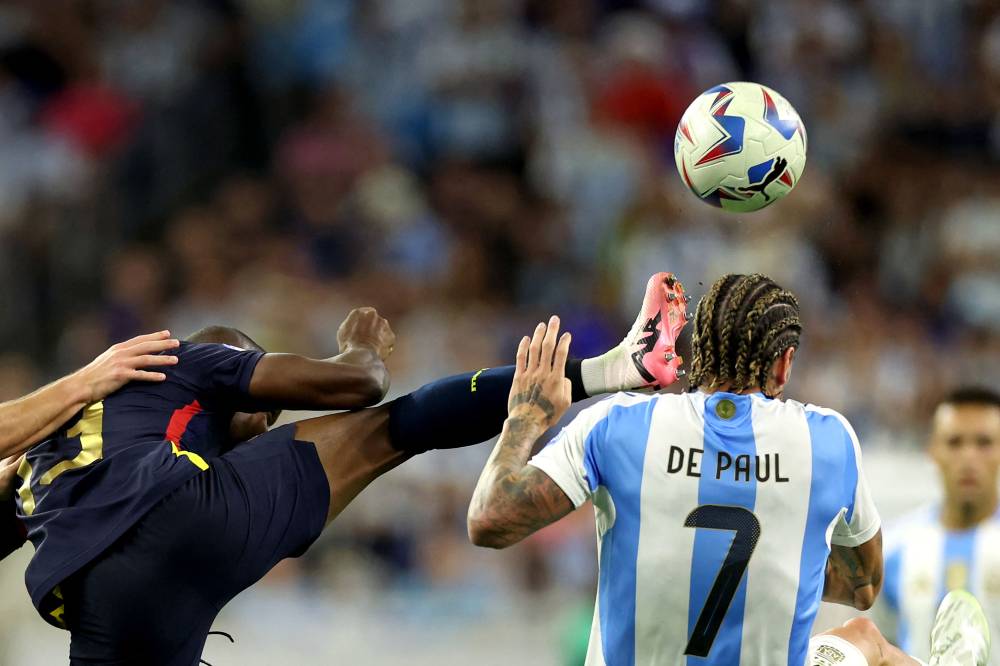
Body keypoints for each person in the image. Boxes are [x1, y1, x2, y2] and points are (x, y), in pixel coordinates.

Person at [0, 273, 688, 665]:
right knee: (395, 427)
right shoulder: (187, 358)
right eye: (258, 408)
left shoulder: (48, 448)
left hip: (94, 602)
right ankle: (617, 366)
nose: (263, 426)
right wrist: (358, 345)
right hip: (176, 518)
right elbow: (361, 386)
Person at [467, 272, 990, 666]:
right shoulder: (827, 440)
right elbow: (863, 585)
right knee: (863, 639)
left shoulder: (618, 425)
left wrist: (525, 417)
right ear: (784, 363)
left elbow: (490, 520)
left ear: (697, 352)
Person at [881, 387, 1000, 664]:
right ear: (933, 450)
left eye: (984, 443)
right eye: (955, 442)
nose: (969, 457)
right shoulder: (894, 547)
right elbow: (878, 646)